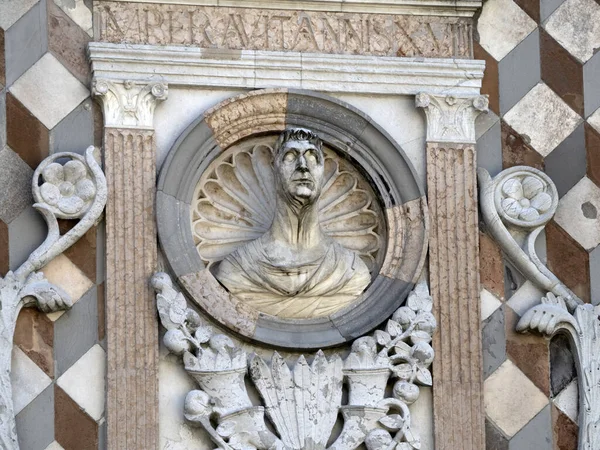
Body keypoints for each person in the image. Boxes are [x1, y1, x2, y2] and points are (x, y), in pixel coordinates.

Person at [214, 128, 371, 318]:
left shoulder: (352, 271)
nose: (303, 166)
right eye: (290, 156)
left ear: (323, 171)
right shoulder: (237, 269)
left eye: (313, 157)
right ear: (275, 168)